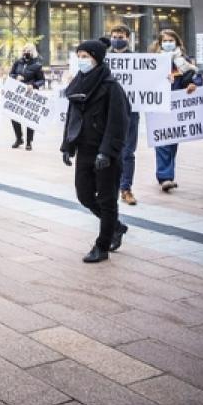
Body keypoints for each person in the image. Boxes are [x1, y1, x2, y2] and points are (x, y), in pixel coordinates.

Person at [61, 39, 131, 263]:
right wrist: (67, 145)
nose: (81, 61)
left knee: (108, 199)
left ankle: (102, 245)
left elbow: (118, 123)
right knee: (84, 195)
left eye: (86, 57)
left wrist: (107, 152)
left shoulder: (111, 86)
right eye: (79, 56)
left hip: (105, 154)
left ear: (97, 59)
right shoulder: (77, 84)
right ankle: (116, 227)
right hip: (84, 149)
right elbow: (72, 118)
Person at [150, 29, 203, 192]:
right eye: (164, 41)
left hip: (178, 108)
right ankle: (165, 177)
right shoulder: (152, 61)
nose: (167, 43)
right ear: (159, 44)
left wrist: (194, 85)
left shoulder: (185, 62)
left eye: (170, 40)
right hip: (159, 106)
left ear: (177, 42)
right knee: (162, 142)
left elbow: (197, 77)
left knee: (172, 142)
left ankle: (167, 175)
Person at [109, 25, 139, 206]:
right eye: (114, 36)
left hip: (131, 111)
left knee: (128, 151)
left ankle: (126, 188)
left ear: (127, 38)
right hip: (109, 110)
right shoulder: (103, 59)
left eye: (120, 36)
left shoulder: (138, 59)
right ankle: (109, 187)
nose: (117, 39)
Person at [9, 43, 46, 150]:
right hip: (17, 93)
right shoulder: (18, 62)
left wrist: (33, 85)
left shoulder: (37, 65)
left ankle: (29, 142)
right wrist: (16, 77)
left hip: (30, 94)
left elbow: (42, 80)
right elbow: (10, 74)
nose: (26, 52)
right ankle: (18, 138)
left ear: (34, 51)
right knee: (14, 116)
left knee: (29, 119)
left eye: (29, 50)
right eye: (25, 50)